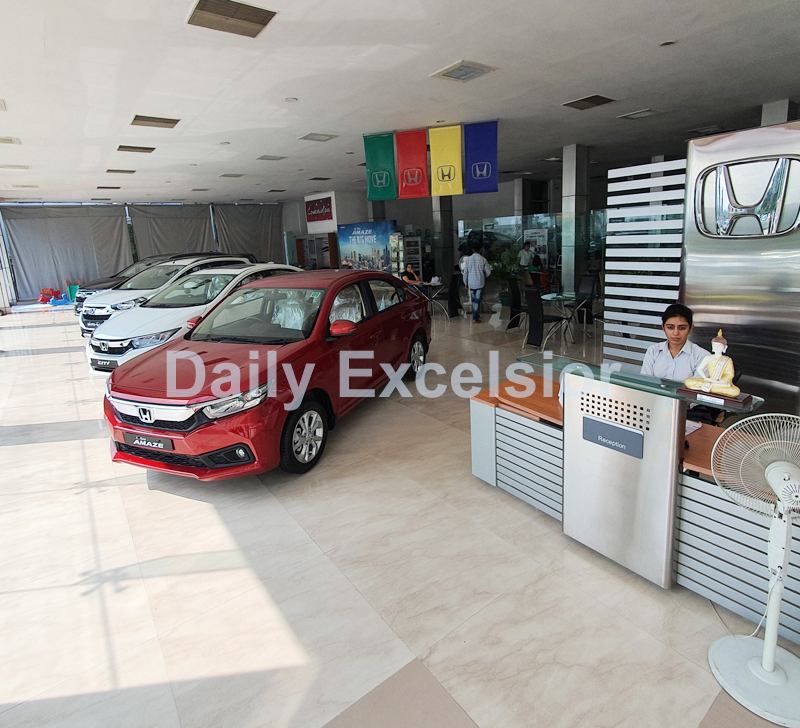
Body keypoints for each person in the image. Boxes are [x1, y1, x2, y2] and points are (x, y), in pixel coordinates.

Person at [640, 304, 713, 381]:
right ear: (663, 327)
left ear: (691, 328)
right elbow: (645, 381)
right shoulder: (653, 351)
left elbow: (695, 386)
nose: (675, 333)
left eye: (682, 328)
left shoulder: (702, 356)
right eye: (670, 327)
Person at [462, 242, 492, 324]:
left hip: (471, 283)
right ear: (480, 249)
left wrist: (465, 282)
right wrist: (483, 276)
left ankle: (476, 314)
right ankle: (475, 317)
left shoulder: (468, 259)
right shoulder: (483, 259)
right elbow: (488, 272)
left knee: (474, 300)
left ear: (473, 250)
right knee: (477, 300)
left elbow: (465, 273)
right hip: (480, 282)